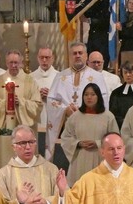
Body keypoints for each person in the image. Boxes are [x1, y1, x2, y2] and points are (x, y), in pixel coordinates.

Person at [0, 125, 68, 204]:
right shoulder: (4, 174)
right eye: (22, 143)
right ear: (13, 146)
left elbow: (65, 200)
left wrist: (48, 202)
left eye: (31, 142)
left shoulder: (51, 169)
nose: (28, 147)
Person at [47, 42, 110, 171]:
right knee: (65, 167)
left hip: (89, 126)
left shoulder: (97, 77)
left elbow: (103, 101)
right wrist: (65, 110)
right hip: (66, 127)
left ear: (86, 56)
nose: (77, 56)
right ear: (69, 56)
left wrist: (83, 110)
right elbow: (51, 100)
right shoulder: (60, 76)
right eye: (74, 53)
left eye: (80, 53)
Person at [0, 50, 42, 168]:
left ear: (21, 63)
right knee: (4, 164)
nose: (14, 66)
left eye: (16, 63)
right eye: (11, 63)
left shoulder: (30, 82)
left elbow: (37, 105)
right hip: (4, 135)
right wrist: (6, 103)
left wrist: (20, 103)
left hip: (24, 132)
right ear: (6, 63)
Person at [62, 83, 119, 186]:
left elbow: (115, 140)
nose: (89, 97)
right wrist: (78, 143)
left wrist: (98, 143)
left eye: (92, 94)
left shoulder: (108, 117)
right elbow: (66, 137)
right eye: (86, 94)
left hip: (100, 158)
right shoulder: (76, 116)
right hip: (80, 160)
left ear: (98, 96)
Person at [31, 47, 59, 157]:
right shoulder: (30, 77)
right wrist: (37, 95)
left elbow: (65, 101)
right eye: (41, 57)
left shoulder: (60, 77)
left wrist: (50, 96)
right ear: (37, 58)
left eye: (47, 57)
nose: (44, 60)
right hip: (37, 118)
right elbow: (26, 99)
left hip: (53, 119)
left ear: (52, 59)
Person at [109, 62, 133, 129]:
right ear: (122, 74)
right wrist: (125, 122)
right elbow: (112, 113)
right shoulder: (116, 93)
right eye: (125, 72)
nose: (128, 75)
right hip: (121, 127)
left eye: (130, 72)